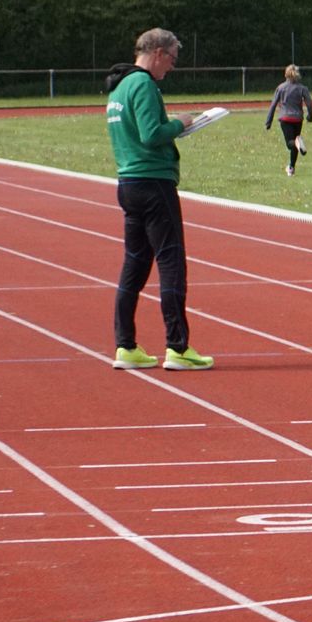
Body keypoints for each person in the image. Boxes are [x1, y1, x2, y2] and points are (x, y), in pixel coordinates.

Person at [104, 28, 214, 372]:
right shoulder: (143, 85)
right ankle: (177, 346)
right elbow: (151, 135)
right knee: (171, 262)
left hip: (129, 182)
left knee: (134, 265)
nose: (172, 67)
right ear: (158, 53)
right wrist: (179, 124)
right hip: (153, 182)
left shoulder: (119, 88)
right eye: (172, 59)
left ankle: (125, 345)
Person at [264, 64, 312, 176]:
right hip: (298, 119)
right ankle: (291, 168)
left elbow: (273, 105)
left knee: (290, 143)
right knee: (296, 144)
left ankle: (293, 160)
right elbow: (310, 104)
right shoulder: (302, 88)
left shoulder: (281, 88)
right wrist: (310, 117)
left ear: (286, 74)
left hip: (285, 118)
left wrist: (268, 122)